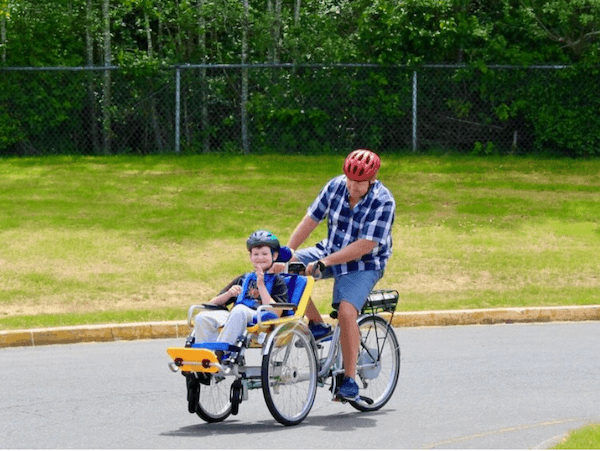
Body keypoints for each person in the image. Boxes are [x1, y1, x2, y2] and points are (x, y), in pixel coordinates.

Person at [281, 149, 395, 402]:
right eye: (350, 180)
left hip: (365, 263)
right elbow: (310, 220)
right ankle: (318, 325)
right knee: (285, 272)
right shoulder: (334, 187)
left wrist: (326, 262)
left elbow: (366, 244)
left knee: (346, 312)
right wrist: (288, 253)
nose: (353, 187)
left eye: (360, 183)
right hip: (330, 250)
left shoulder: (383, 201)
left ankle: (350, 380)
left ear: (372, 180)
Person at [187, 229, 288, 353]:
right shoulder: (244, 278)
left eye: (264, 254)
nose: (260, 258)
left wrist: (261, 285)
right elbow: (213, 303)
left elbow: (276, 312)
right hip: (235, 315)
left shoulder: (278, 280)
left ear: (274, 256)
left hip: (259, 317)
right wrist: (229, 294)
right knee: (202, 318)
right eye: (256, 254)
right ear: (251, 257)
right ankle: (205, 356)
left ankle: (222, 352)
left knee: (239, 310)